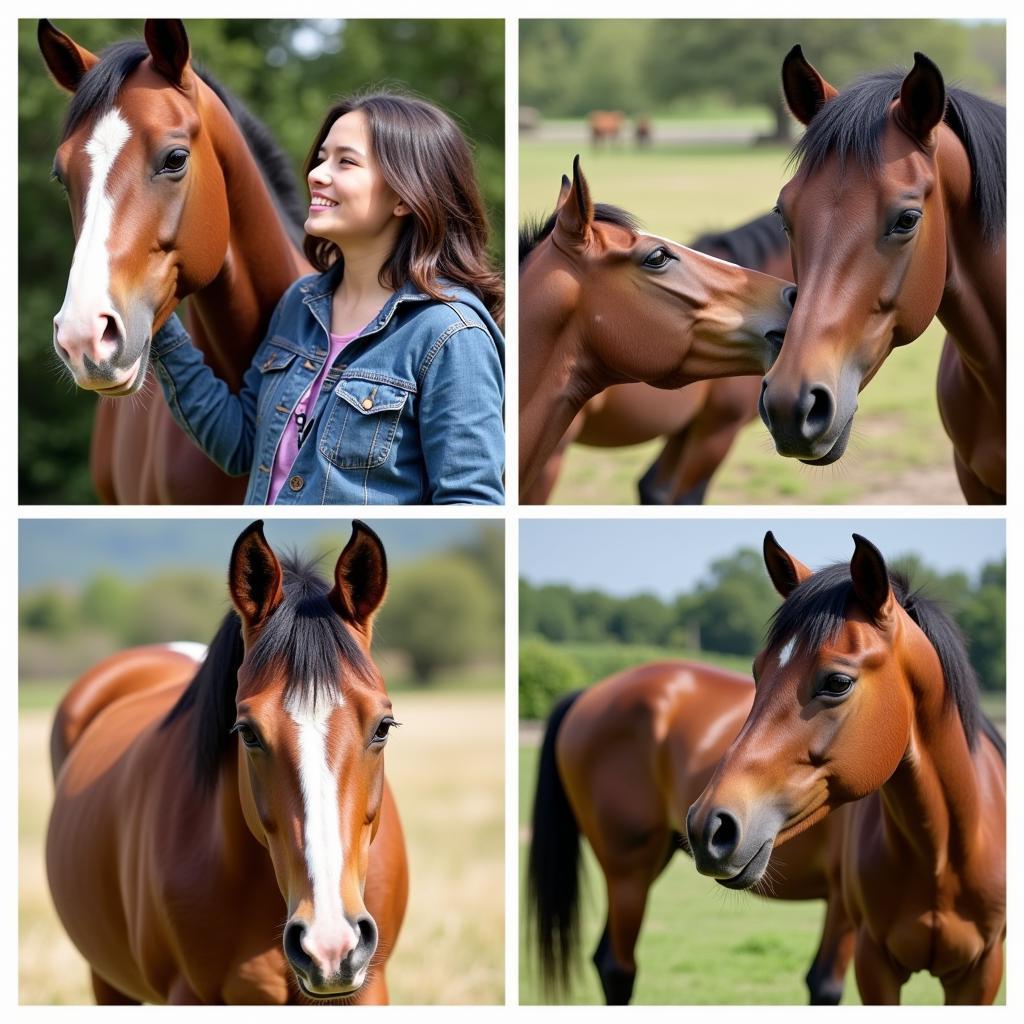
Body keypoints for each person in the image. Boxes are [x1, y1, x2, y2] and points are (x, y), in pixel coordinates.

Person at [151, 92, 504, 504]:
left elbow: (471, 502)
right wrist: (152, 318)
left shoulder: (450, 335)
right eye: (322, 158)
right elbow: (238, 445)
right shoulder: (297, 304)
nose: (317, 174)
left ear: (406, 196)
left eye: (346, 162)